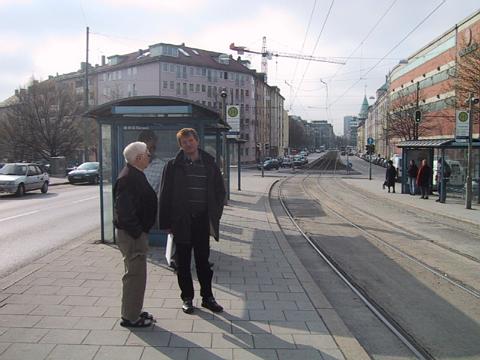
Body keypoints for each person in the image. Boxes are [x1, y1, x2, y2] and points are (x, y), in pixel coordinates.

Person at [159, 128, 226, 314]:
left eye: (190, 140)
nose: (188, 144)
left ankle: (208, 297)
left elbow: (220, 192)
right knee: (183, 263)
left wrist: (215, 214)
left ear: (197, 141)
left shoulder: (210, 164)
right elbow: (164, 195)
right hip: (181, 222)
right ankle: (187, 298)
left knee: (203, 262)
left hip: (202, 221)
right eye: (184, 142)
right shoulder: (172, 166)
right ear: (180, 145)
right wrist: (165, 223)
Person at [113, 141, 157, 328]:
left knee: (138, 275)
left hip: (134, 234)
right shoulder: (128, 178)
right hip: (132, 236)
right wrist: (138, 233)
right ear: (138, 158)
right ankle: (130, 317)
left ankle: (134, 309)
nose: (149, 156)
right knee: (134, 276)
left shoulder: (134, 174)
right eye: (147, 153)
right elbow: (124, 212)